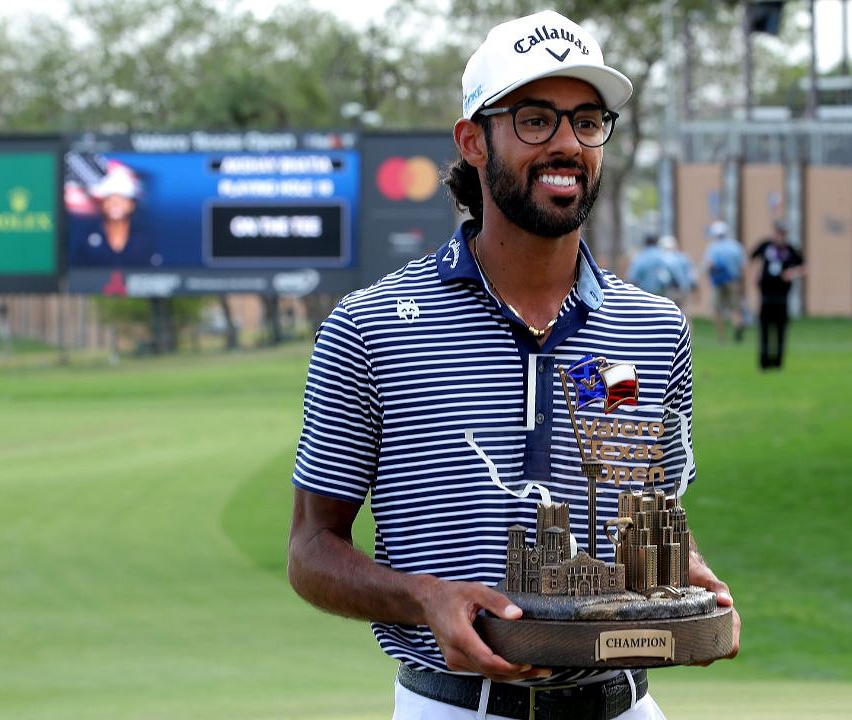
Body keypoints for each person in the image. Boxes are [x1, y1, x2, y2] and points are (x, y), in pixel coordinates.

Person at [287, 10, 740, 720]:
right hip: (457, 708)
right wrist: (425, 598)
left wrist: (692, 581)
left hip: (625, 705)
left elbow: (653, 512)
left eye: (587, 122)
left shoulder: (653, 330)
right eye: (535, 119)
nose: (567, 144)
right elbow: (311, 550)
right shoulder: (369, 326)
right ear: (473, 140)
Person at [748, 219, 804, 370]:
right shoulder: (765, 246)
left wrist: (792, 273)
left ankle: (778, 363)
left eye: (783, 233)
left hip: (782, 297)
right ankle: (764, 363)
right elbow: (751, 258)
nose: (780, 236)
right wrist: (755, 274)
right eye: (778, 232)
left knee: (780, 331)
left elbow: (802, 267)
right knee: (764, 331)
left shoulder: (791, 249)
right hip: (766, 296)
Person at [704, 221, 746, 343]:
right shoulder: (735, 246)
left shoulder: (713, 247)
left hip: (718, 282)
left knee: (717, 309)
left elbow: (709, 265)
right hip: (733, 279)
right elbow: (743, 266)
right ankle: (738, 324)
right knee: (735, 307)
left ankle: (721, 336)